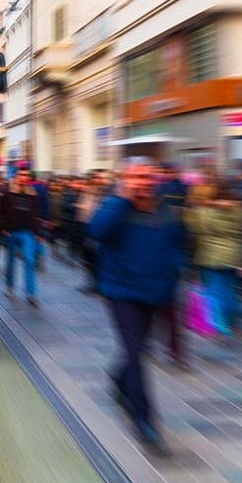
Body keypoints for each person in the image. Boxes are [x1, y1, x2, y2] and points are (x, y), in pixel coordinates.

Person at [89, 156, 185, 452]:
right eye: (136, 177)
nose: (143, 182)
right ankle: (144, 421)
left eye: (147, 176)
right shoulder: (113, 206)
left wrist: (173, 280)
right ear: (124, 179)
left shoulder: (166, 210)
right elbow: (97, 232)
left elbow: (178, 245)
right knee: (135, 352)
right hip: (123, 292)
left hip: (155, 293)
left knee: (137, 349)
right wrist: (122, 199)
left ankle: (118, 380)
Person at [186, 178, 242, 337]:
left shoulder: (203, 212)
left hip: (210, 255)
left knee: (215, 290)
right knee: (231, 288)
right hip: (237, 255)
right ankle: (233, 318)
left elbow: (195, 232)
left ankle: (221, 323)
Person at [0, 167, 43, 305]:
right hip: (11, 232)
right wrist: (4, 229)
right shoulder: (8, 192)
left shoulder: (32, 193)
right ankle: (9, 286)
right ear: (16, 176)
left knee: (29, 260)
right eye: (21, 175)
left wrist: (37, 233)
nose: (24, 177)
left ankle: (31, 294)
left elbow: (36, 214)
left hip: (27, 233)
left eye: (26, 175)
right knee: (11, 262)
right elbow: (1, 211)